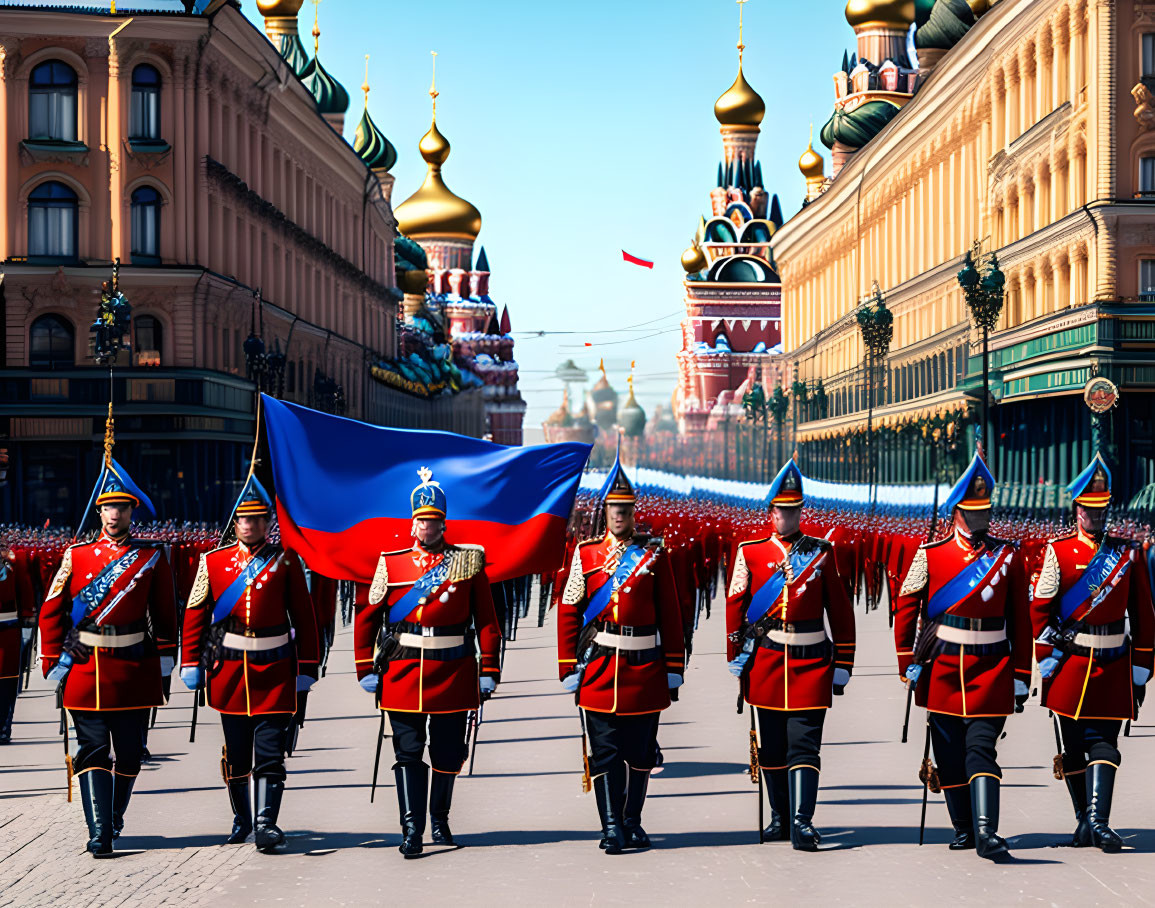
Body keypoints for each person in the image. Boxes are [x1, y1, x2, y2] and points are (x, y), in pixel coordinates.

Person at [354, 468, 502, 857]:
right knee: (407, 751)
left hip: (453, 670)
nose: (427, 527)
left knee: (449, 752)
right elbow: (367, 616)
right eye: (421, 520)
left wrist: (489, 670)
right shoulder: (391, 563)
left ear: (443, 523)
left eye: (433, 520)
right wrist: (363, 667)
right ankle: (411, 829)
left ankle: (440, 818)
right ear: (412, 523)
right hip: (404, 672)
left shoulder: (466, 562)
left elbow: (486, 620)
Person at [894, 452, 1031, 861]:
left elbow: (1020, 620)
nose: (981, 519)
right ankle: (964, 828)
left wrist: (1021, 673)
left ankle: (988, 832)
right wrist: (908, 664)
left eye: (985, 511)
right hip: (943, 668)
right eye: (973, 512)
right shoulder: (930, 554)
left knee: (981, 748)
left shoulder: (1008, 555)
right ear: (957, 511)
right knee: (949, 754)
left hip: (992, 667)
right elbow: (906, 607)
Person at [39, 464, 178, 856]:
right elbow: (52, 608)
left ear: (131, 512)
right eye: (108, 508)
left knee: (131, 753)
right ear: (99, 512)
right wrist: (52, 656)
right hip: (85, 665)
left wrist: (167, 657)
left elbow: (166, 614)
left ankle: (114, 815)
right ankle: (99, 831)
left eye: (122, 508)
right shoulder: (77, 555)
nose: (115, 514)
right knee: (93, 749)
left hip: (133, 666)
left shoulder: (151, 556)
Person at [181, 475, 320, 853]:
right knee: (238, 752)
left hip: (275, 669)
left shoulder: (286, 561)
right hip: (228, 671)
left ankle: (266, 823)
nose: (252, 524)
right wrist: (190, 661)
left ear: (268, 522)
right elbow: (195, 614)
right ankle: (242, 817)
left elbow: (304, 617)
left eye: (259, 518)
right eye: (245, 518)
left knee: (271, 750)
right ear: (235, 522)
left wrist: (308, 665)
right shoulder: (213, 562)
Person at [557, 458, 686, 854]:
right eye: (614, 509)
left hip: (645, 665)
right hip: (599, 665)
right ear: (605, 512)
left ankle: (633, 820)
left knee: (641, 753)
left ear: (634, 512)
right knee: (606, 752)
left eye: (626, 509)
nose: (620, 515)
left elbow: (671, 612)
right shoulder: (586, 554)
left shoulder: (653, 554)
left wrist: (674, 667)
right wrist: (567, 665)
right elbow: (569, 609)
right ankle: (611, 826)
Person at [725, 459, 855, 851]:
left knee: (805, 744)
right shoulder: (750, 553)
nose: (787, 516)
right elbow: (735, 606)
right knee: (773, 748)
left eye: (794, 509)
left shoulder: (821, 553)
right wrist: (736, 655)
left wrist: (843, 662)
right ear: (770, 512)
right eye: (781, 510)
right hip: (766, 660)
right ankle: (780, 816)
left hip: (812, 660)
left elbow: (841, 610)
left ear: (801, 511)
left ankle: (802, 821)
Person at [1029, 454, 1155, 851]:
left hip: (1114, 661)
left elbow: (1144, 613)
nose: (1096, 516)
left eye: (1102, 509)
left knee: (1105, 742)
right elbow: (1039, 608)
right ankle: (1084, 820)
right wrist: (1045, 655)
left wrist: (1142, 666)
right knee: (1072, 747)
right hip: (1071, 661)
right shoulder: (1058, 551)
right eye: (1089, 509)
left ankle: (1100, 822)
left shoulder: (1128, 552)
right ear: (1076, 509)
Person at [0, 542, 36, 744]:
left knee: (5, 681)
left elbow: (25, 589)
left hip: (7, 628)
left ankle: (3, 725)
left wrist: (28, 616)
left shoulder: (13, 561)